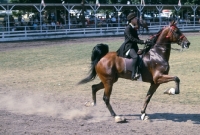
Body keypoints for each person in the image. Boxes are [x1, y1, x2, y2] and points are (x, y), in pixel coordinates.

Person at [117, 12, 149, 80]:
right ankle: (133, 74)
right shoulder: (127, 28)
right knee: (135, 57)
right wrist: (142, 41)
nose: (136, 19)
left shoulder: (133, 28)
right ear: (131, 20)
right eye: (135, 18)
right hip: (128, 47)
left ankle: (140, 71)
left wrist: (145, 42)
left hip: (134, 47)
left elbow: (137, 39)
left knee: (143, 54)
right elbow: (132, 39)